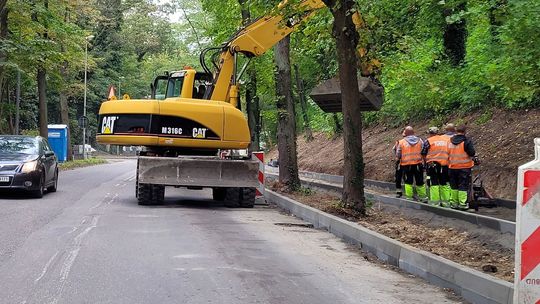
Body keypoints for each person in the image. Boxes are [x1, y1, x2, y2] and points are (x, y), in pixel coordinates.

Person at [448, 125, 476, 210]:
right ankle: (462, 204)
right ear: (465, 131)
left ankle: (454, 203)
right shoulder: (466, 141)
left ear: (456, 131)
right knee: (463, 186)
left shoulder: (450, 141)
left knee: (454, 186)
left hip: (452, 167)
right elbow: (472, 153)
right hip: (464, 167)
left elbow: (447, 152)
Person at [396, 126, 427, 201]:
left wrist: (398, 161)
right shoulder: (420, 141)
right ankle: (423, 197)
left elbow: (398, 154)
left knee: (408, 182)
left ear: (405, 133)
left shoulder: (402, 142)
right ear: (413, 132)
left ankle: (409, 198)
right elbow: (423, 151)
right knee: (420, 181)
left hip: (406, 165)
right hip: (418, 164)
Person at [422, 127, 450, 206]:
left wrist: (426, 162)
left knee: (434, 183)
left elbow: (423, 153)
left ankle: (435, 203)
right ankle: (446, 203)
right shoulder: (446, 140)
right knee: (444, 184)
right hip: (444, 165)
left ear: (430, 133)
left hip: (432, 165)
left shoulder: (428, 141)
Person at [392, 129, 406, 198]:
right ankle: (402, 192)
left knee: (399, 177)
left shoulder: (399, 142)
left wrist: (397, 160)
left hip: (401, 163)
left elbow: (394, 150)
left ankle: (399, 192)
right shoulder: (399, 142)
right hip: (406, 163)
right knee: (405, 178)